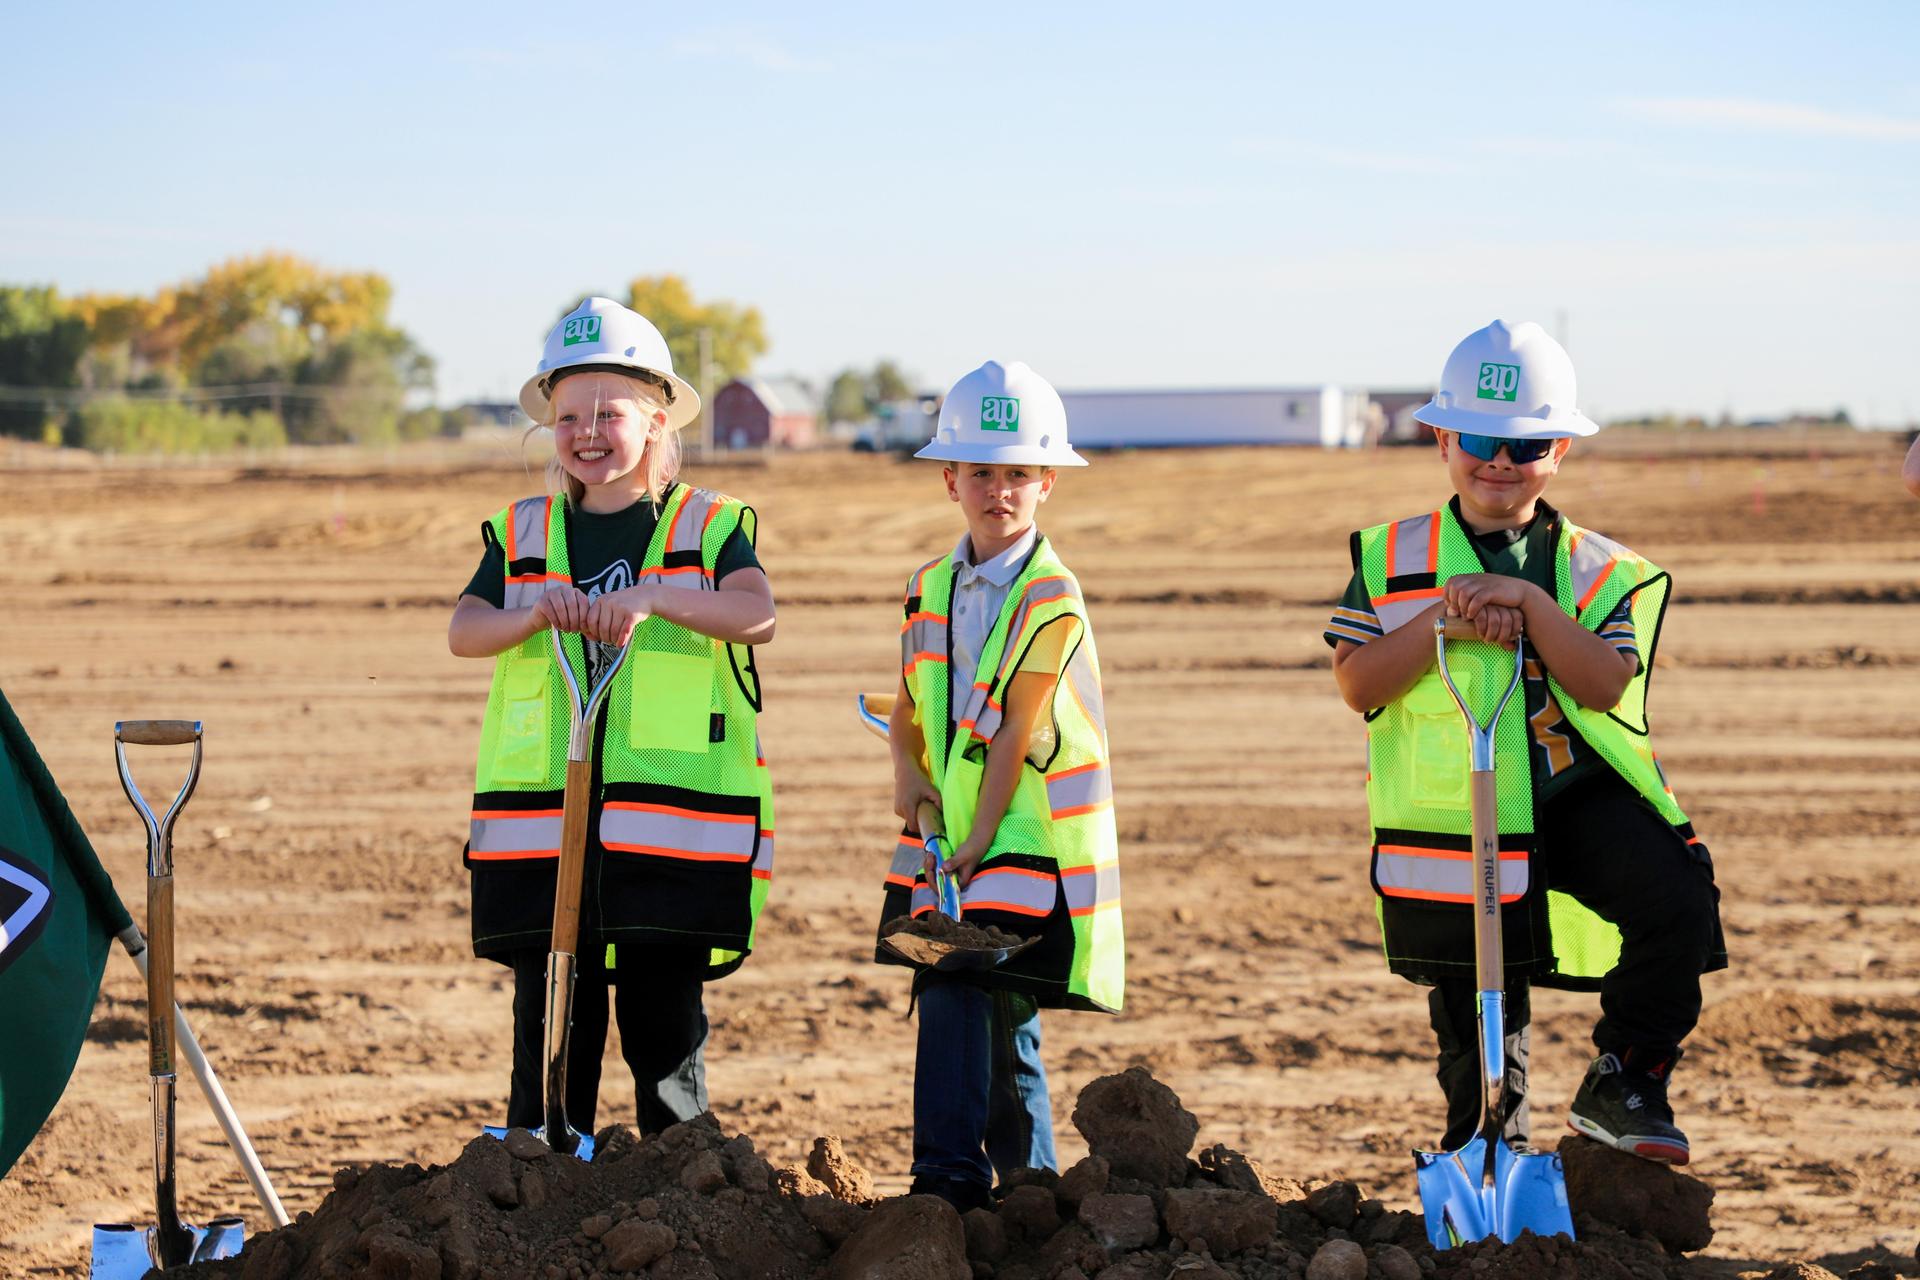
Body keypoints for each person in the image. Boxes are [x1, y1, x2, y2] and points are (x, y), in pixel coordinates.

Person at [1325, 320, 1724, 1164]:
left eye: (1526, 442)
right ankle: (1484, 1153)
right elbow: (1358, 683)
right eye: (1479, 438)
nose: (1500, 462)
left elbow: (1606, 684)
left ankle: (1627, 1077)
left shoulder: (1600, 569)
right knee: (1477, 1009)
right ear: (1442, 438)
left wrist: (1532, 608)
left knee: (1678, 900)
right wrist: (1447, 618)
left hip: (1569, 798)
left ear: (1560, 452)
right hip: (1453, 817)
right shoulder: (1393, 556)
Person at [449, 297, 777, 1138]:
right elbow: (464, 631)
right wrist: (528, 615)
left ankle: (680, 1187)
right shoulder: (524, 533)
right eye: (567, 417)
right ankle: (544, 1171)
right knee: (554, 1026)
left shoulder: (705, 525)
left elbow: (756, 613)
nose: (586, 433)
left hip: (666, 841)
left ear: (658, 420)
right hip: (545, 836)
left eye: (609, 413)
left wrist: (657, 598)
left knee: (664, 1034)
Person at [875, 360, 1125, 1211]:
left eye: (1018, 472)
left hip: (1024, 832)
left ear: (1047, 482)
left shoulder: (1053, 594)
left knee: (954, 978)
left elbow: (1017, 726)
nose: (1000, 489)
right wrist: (910, 786)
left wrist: (975, 842)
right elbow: (911, 707)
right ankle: (1030, 1186)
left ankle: (946, 1182)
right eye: (982, 471)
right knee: (1001, 1010)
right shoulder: (927, 588)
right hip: (949, 831)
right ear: (950, 479)